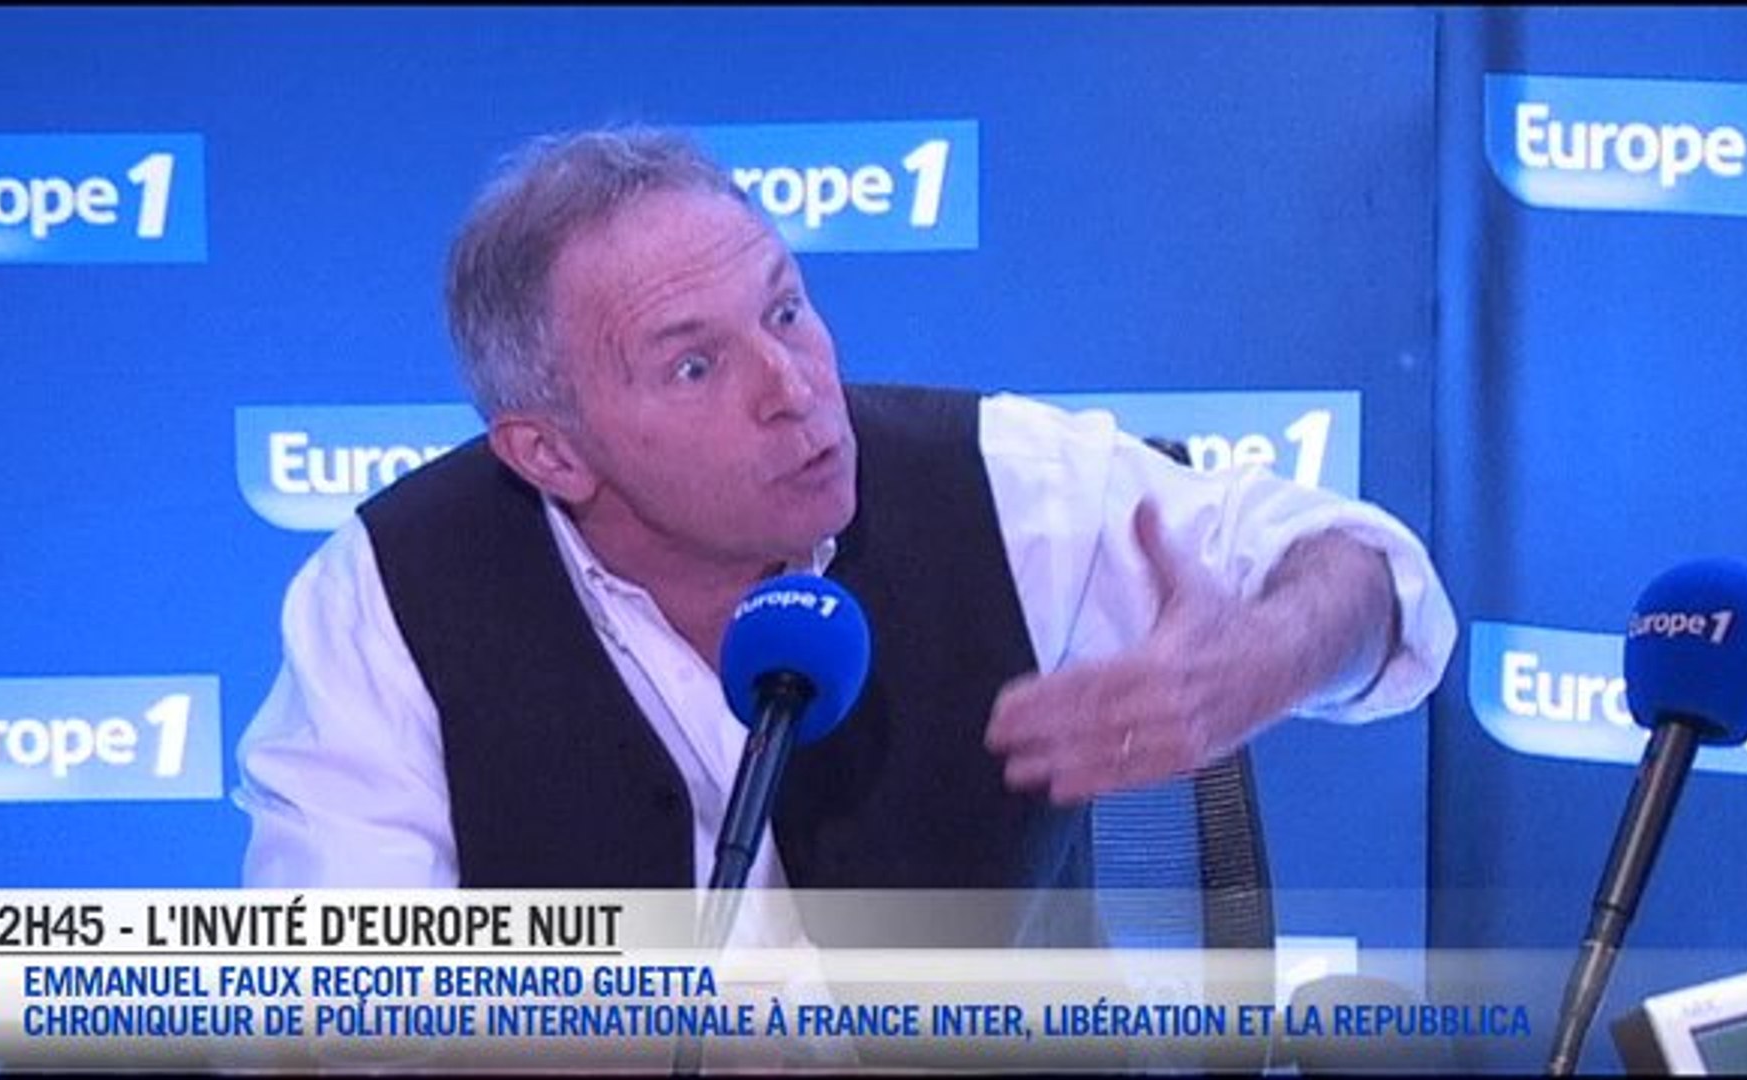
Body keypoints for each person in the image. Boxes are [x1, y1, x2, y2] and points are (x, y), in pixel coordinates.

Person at [233, 125, 1456, 950]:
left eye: (785, 308)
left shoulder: (999, 481)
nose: (795, 387)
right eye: (696, 365)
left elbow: (1359, 568)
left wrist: (1275, 652)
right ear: (551, 452)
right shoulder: (397, 591)